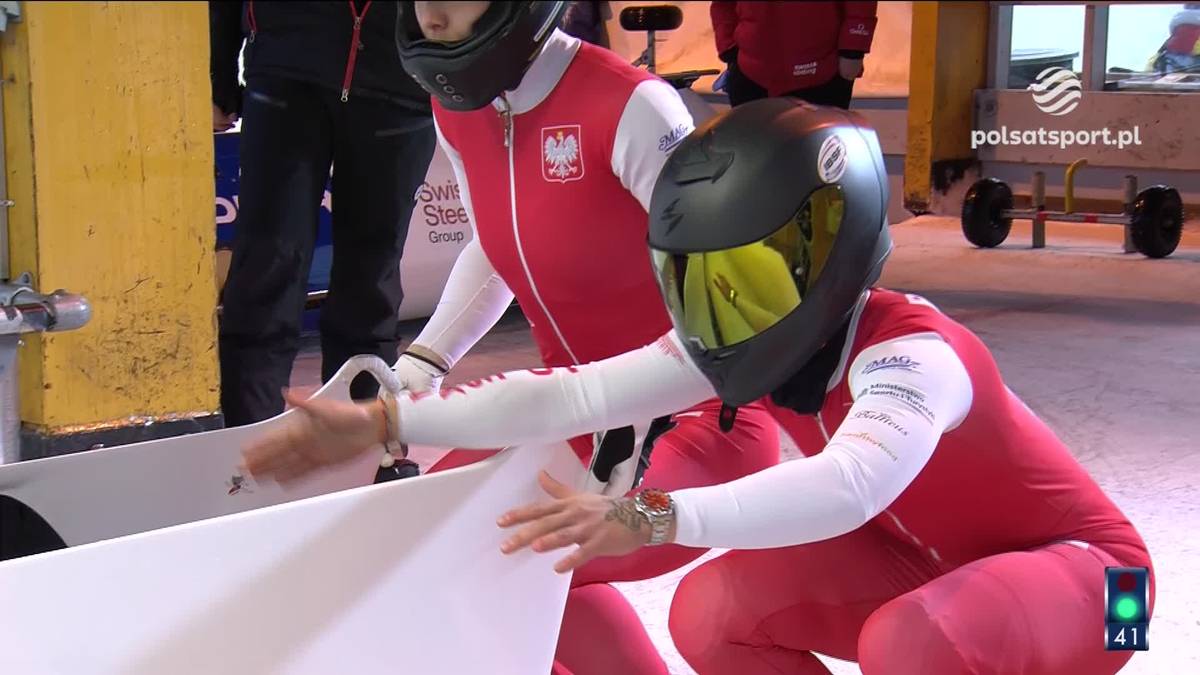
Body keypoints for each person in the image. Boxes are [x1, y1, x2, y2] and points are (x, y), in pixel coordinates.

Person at [492, 98, 1156, 674]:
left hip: (1111, 589)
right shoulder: (750, 334)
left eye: (748, 275)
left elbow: (850, 483)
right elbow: (585, 392)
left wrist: (651, 516)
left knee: (912, 642)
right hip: (925, 561)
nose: (720, 309)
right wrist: (426, 406)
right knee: (708, 611)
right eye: (698, 279)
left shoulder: (916, 355)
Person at [243, 2, 779, 673]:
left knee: (474, 567)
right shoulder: (457, 107)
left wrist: (635, 409)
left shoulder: (636, 108)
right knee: (412, 551)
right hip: (575, 419)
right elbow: (498, 245)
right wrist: (422, 364)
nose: (431, 14)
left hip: (700, 423)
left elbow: (734, 320)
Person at [210, 1, 437, 426]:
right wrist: (218, 76)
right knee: (266, 268)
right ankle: (247, 440)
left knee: (372, 279)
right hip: (286, 68)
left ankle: (360, 436)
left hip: (402, 79)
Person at [711, 1, 877, 109]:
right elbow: (722, 5)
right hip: (751, 75)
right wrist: (728, 48)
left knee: (816, 151)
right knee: (753, 149)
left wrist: (853, 49)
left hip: (822, 74)